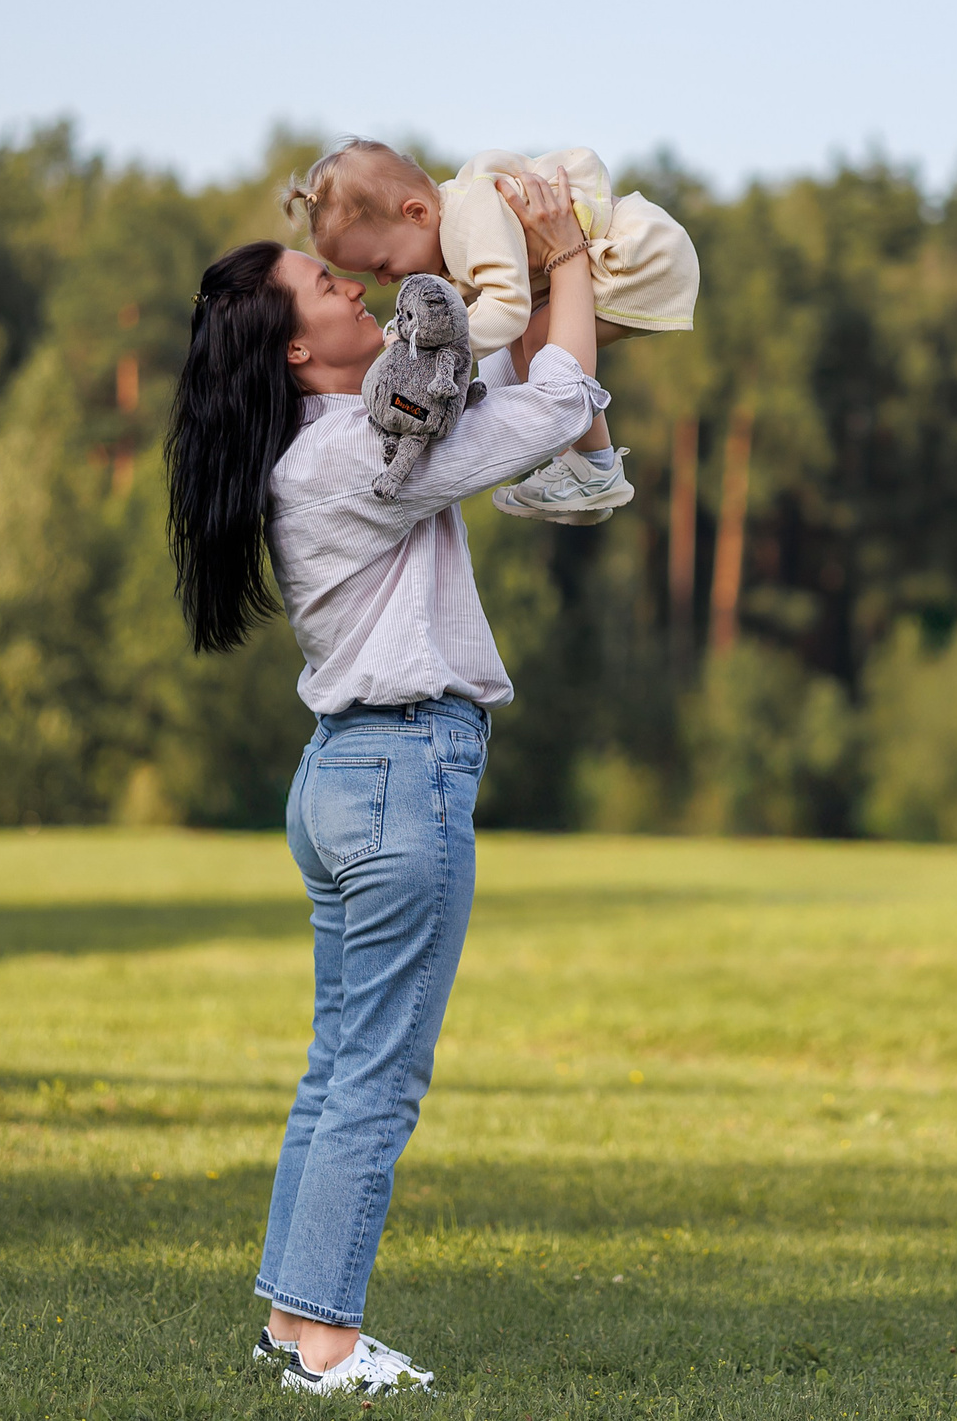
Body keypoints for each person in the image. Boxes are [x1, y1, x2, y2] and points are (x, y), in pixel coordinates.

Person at [164, 171, 605, 1397]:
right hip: (402, 773)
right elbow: (552, 404)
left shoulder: (334, 445)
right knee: (377, 1078)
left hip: (343, 780)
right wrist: (564, 261)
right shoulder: (363, 450)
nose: (350, 281)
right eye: (324, 282)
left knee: (335, 1068)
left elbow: (490, 396)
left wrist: (511, 304)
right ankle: (329, 1348)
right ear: (301, 344)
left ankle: (289, 1325)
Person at [283, 139, 699, 526]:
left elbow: (507, 309)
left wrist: (431, 356)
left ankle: (595, 469)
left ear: (416, 213)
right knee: (529, 345)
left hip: (639, 254)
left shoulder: (469, 222)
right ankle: (582, 471)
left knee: (539, 340)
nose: (383, 282)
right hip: (623, 256)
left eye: (381, 263)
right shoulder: (446, 240)